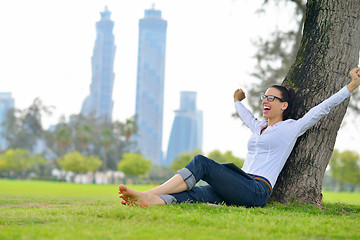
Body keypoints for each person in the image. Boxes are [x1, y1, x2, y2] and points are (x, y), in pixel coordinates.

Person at [119, 67, 360, 208]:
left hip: (256, 189)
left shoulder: (291, 128)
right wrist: (237, 101)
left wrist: (351, 86)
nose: (265, 101)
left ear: (284, 105)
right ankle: (151, 202)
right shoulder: (258, 127)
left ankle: (150, 193)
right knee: (197, 194)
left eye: (271, 98)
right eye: (264, 97)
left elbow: (322, 108)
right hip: (240, 182)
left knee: (202, 162)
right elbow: (245, 115)